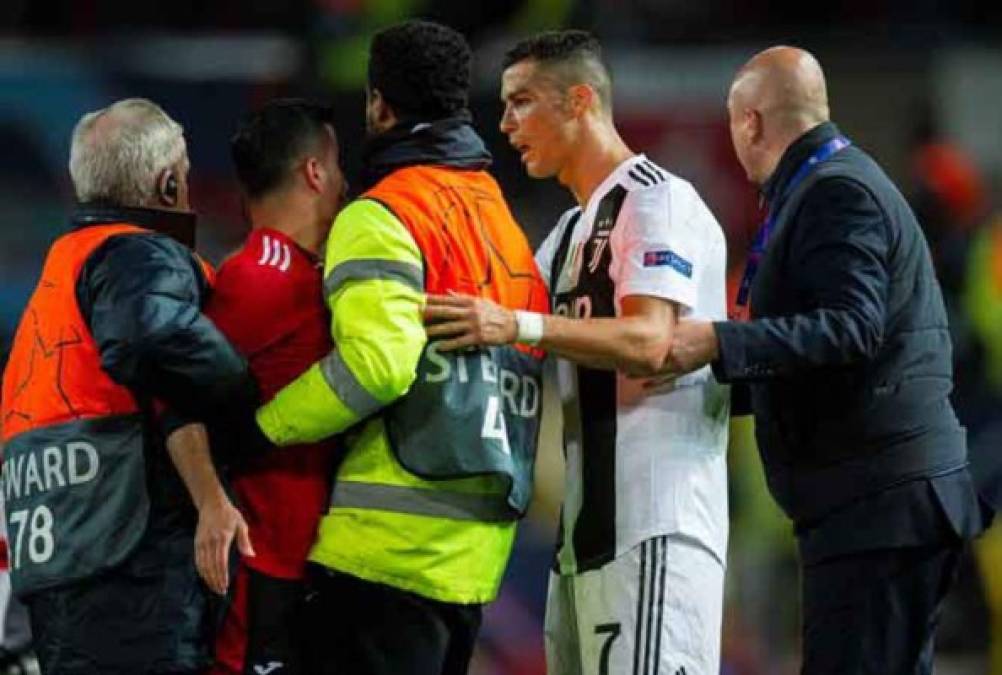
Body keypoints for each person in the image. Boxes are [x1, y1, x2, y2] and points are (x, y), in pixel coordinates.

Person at [240, 21, 550, 675]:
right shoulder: (505, 225)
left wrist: (259, 430)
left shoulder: (383, 215)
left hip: (381, 555)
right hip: (473, 565)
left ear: (379, 105)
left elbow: (376, 367)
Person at [662, 47, 983, 674]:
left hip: (878, 507)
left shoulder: (837, 192)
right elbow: (833, 356)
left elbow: (851, 328)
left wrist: (717, 343)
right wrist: (710, 382)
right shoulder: (830, 185)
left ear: (750, 122)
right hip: (877, 504)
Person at [425, 30, 730, 675]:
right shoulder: (566, 232)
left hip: (653, 527)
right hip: (581, 542)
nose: (505, 123)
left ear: (580, 101)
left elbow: (649, 341)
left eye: (522, 102)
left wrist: (518, 325)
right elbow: (508, 337)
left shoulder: (657, 199)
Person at [0, 98, 256, 674]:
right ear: (168, 185)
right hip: (131, 557)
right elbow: (149, 337)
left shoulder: (58, 277)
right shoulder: (138, 253)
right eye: (186, 177)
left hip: (59, 557)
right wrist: (244, 388)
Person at [197, 99, 345, 675]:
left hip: (297, 566)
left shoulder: (296, 274)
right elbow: (183, 408)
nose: (344, 183)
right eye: (337, 168)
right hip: (261, 569)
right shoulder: (258, 278)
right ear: (314, 172)